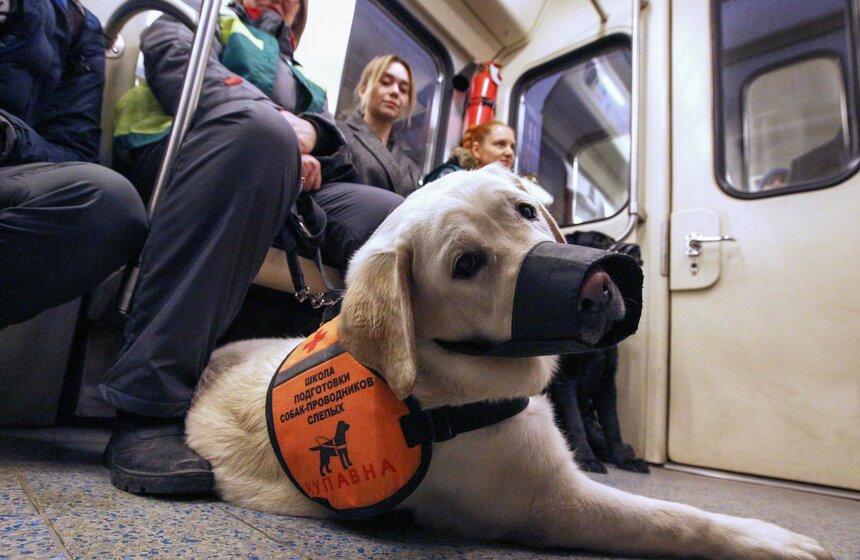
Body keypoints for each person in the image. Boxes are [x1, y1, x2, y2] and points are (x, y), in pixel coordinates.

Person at [100, 0, 403, 495]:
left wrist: (314, 133)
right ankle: (147, 406)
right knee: (259, 137)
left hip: (284, 183)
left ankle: (347, 409)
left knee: (391, 216)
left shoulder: (304, 78)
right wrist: (280, 131)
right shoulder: (201, 21)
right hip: (195, 156)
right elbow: (178, 68)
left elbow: (339, 149)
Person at [0, 0, 148, 329]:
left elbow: (75, 152)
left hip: (7, 168)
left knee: (109, 206)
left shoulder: (75, 21)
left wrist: (10, 137)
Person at [337, 55, 420, 196]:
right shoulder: (338, 134)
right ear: (363, 90)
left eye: (403, 89)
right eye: (386, 82)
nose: (395, 92)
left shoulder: (409, 162)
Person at [422, 120, 515, 184]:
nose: (509, 152)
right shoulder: (451, 176)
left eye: (512, 147)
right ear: (476, 150)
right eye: (500, 144)